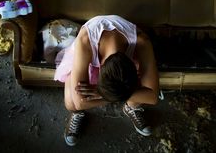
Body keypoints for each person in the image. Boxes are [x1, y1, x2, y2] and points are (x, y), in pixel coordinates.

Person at [54, 15, 159, 147]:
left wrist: (106, 95)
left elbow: (153, 97)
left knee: (136, 90)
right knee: (71, 103)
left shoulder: (142, 42)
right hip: (88, 55)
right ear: (100, 70)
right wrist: (113, 96)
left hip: (121, 61)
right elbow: (80, 103)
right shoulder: (85, 40)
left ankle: (131, 107)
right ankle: (77, 115)